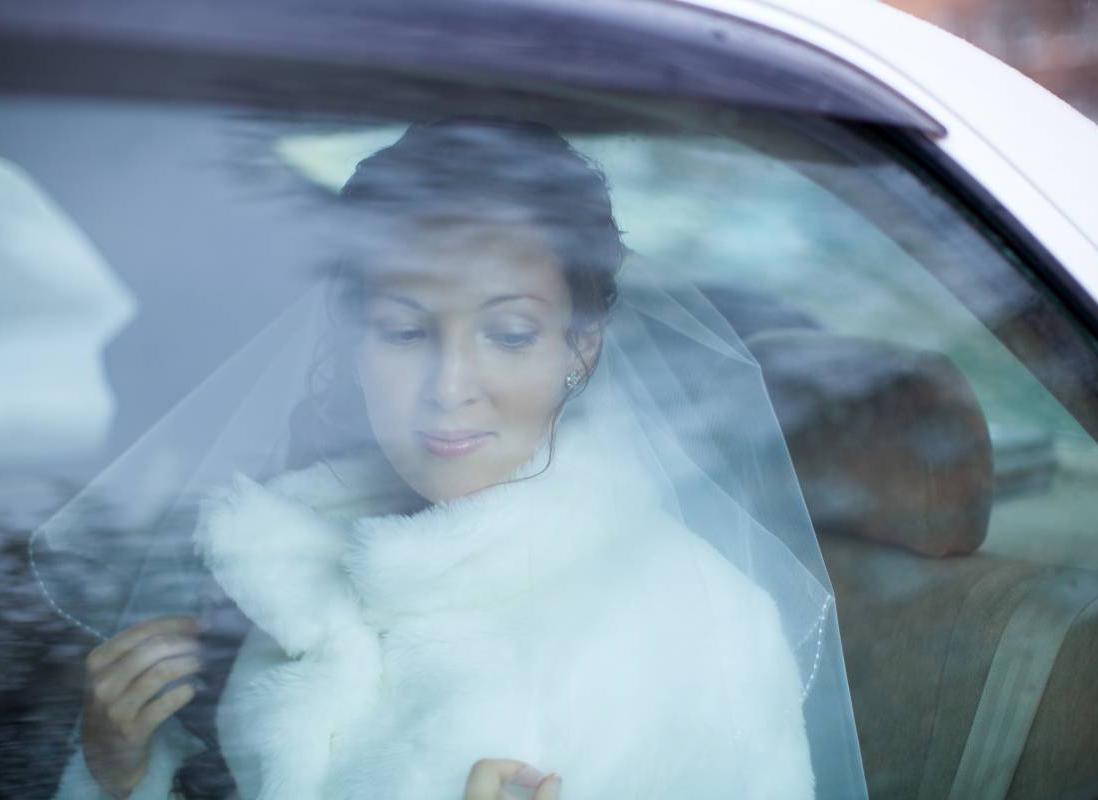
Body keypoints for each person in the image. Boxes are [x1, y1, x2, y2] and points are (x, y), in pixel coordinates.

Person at [48, 119, 833, 799]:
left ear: (581, 348)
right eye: (403, 330)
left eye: (510, 333)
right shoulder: (280, 566)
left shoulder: (698, 627)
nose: (449, 387)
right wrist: (122, 775)